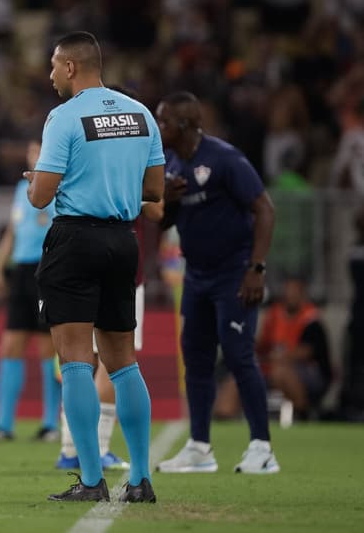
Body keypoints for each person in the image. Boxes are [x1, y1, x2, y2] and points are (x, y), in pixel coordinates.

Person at [26, 31, 164, 503]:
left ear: (69, 67)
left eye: (52, 66)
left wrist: (38, 181)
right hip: (123, 241)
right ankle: (141, 478)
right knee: (124, 362)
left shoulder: (63, 117)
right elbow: (154, 191)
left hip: (75, 239)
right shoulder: (142, 114)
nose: (49, 76)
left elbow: (41, 196)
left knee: (76, 362)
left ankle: (89, 481)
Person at [154, 91, 279, 474]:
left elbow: (265, 210)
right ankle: (199, 448)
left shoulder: (225, 159)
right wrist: (168, 201)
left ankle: (262, 448)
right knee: (196, 357)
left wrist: (255, 269)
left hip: (233, 272)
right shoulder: (171, 164)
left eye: (163, 122)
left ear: (184, 125)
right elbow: (162, 224)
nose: (158, 128)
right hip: (197, 275)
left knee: (239, 353)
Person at [55, 199, 164, 471]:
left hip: (74, 257)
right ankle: (100, 448)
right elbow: (156, 209)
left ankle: (70, 448)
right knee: (116, 360)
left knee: (76, 359)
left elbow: (42, 197)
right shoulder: (133, 158)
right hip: (118, 262)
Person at [0, 139, 61, 443]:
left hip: (47, 270)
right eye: (30, 152)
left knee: (46, 347)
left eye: (39, 151)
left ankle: (51, 424)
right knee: (11, 344)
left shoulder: (59, 186)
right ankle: (3, 424)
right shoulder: (20, 189)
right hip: (22, 272)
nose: (33, 156)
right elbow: (13, 231)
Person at [216, 277, 331, 420]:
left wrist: (278, 357)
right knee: (239, 375)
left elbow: (306, 352)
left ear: (302, 295)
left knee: (280, 372)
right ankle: (223, 416)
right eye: (288, 292)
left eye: (295, 292)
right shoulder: (275, 316)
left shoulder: (311, 320)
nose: (290, 296)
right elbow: (262, 346)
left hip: (305, 372)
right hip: (270, 367)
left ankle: (303, 413)